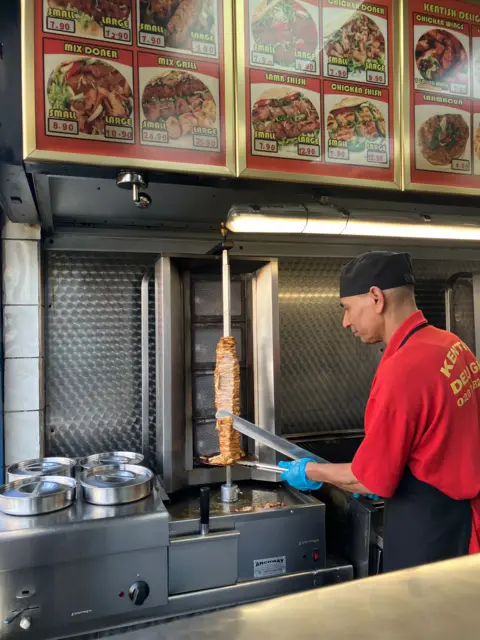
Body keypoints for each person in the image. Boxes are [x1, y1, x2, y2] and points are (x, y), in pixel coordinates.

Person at [279, 251, 480, 573]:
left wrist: (311, 472)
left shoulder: (404, 369)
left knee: (419, 621)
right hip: (460, 520)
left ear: (376, 298)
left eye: (347, 308)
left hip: (426, 534)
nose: (346, 322)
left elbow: (369, 479)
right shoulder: (452, 345)